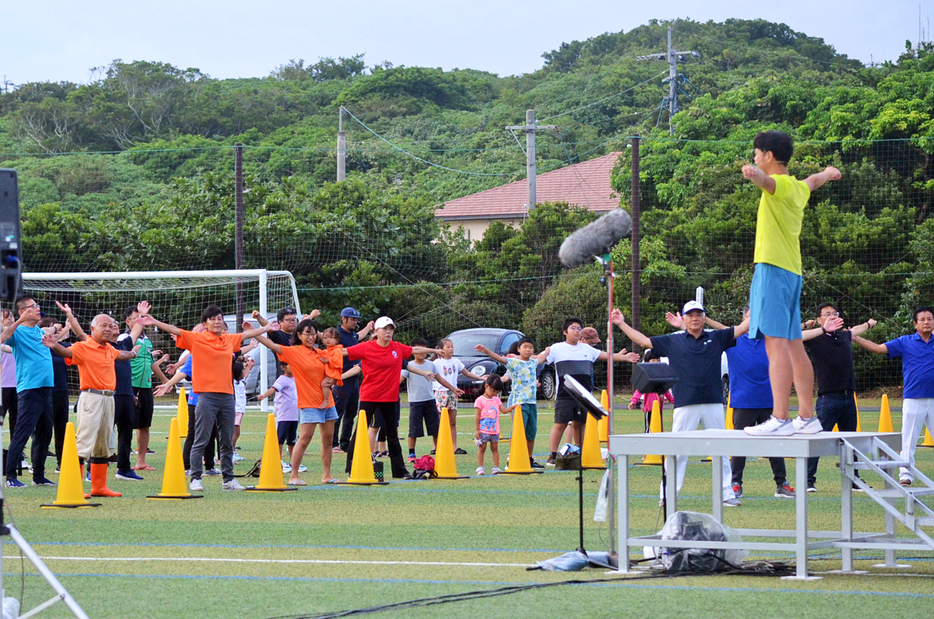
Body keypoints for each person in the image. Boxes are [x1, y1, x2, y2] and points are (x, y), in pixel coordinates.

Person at [741, 130, 841, 436]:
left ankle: (780, 418)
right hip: (791, 272)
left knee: (776, 345)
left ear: (769, 156)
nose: (755, 157)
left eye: (757, 153)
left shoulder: (781, 185)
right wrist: (827, 172)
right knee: (795, 344)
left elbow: (767, 183)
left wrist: (754, 175)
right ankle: (808, 418)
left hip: (772, 270)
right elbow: (813, 180)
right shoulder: (798, 188)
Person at [613, 302, 745, 507]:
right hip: (685, 404)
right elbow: (644, 341)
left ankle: (726, 493)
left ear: (704, 317)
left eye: (698, 314)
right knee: (678, 450)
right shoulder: (673, 341)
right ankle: (667, 495)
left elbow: (743, 328)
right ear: (684, 319)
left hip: (713, 402)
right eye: (690, 315)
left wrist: (760, 305)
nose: (695, 318)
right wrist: (622, 324)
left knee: (720, 448)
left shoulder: (716, 337)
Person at [137, 304, 276, 492]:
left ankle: (228, 480)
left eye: (219, 318)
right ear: (205, 324)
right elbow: (175, 330)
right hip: (206, 397)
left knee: (226, 441)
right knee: (200, 439)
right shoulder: (198, 339)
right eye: (213, 319)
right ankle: (195, 477)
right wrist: (152, 320)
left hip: (227, 397)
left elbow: (247, 336)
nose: (217, 322)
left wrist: (266, 328)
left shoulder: (228, 340)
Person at [43, 310, 140, 497]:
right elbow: (67, 352)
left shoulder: (109, 349)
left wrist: (134, 354)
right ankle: (74, 487)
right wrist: (55, 345)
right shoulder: (83, 346)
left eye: (110, 325)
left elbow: (122, 355)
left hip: (109, 398)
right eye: (103, 325)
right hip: (91, 397)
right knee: (84, 442)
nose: (108, 329)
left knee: (103, 444)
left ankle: (99, 487)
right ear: (93, 328)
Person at [703, 307, 794, 499]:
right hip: (743, 402)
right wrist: (706, 319)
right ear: (743, 319)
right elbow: (722, 329)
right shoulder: (734, 341)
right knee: (739, 445)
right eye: (751, 317)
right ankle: (736, 483)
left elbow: (796, 334)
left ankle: (782, 484)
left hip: (770, 402)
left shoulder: (773, 342)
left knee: (774, 444)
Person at [343, 317, 443, 479]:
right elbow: (345, 352)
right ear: (376, 331)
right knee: (359, 432)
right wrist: (322, 353)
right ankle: (351, 466)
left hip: (390, 397)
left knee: (393, 435)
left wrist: (435, 351)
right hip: (370, 396)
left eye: (391, 329)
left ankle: (399, 470)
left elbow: (414, 350)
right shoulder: (366, 347)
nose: (388, 332)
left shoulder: (396, 348)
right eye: (385, 329)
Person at [799, 303, 878, 492]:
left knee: (851, 441)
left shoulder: (843, 336)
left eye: (835, 313)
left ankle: (853, 479)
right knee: (818, 440)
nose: (832, 316)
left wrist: (868, 324)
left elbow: (854, 331)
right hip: (828, 399)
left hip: (848, 398)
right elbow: (795, 336)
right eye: (827, 314)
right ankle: (808, 480)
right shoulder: (815, 338)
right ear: (819, 319)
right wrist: (811, 326)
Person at [853, 306, 934, 487]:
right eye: (922, 319)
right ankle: (905, 474)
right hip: (913, 398)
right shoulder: (905, 341)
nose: (926, 322)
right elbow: (878, 348)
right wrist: (856, 338)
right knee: (908, 439)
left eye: (930, 319)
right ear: (915, 323)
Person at [253, 318, 339, 484]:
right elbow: (272, 345)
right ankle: (294, 476)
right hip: (309, 403)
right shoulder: (294, 351)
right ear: (299, 335)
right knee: (305, 438)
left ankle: (327, 475)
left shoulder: (320, 353)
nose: (311, 337)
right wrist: (258, 331)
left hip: (328, 402)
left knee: (328, 439)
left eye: (313, 334)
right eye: (307, 333)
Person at [545, 316, 639, 466]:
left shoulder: (587, 349)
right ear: (565, 332)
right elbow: (539, 358)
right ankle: (552, 455)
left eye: (578, 328)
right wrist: (520, 358)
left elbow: (607, 356)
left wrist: (625, 357)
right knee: (560, 424)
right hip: (565, 394)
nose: (576, 331)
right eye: (573, 328)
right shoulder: (556, 348)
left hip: (583, 395)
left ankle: (580, 452)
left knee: (580, 424)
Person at [1, 296, 55, 488]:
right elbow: (3, 338)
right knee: (22, 433)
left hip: (46, 389)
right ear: (23, 312)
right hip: (30, 391)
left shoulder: (39, 331)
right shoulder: (18, 331)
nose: (38, 309)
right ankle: (10, 477)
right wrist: (19, 320)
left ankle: (38, 476)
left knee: (44, 434)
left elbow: (54, 332)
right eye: (33, 307)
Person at [475, 337, 550, 468]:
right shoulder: (514, 363)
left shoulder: (533, 363)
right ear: (519, 349)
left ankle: (529, 458)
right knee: (517, 431)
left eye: (530, 347)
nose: (528, 350)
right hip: (518, 404)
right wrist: (486, 351)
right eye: (525, 347)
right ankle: (512, 457)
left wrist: (550, 349)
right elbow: (500, 359)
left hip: (532, 403)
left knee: (531, 432)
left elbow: (543, 357)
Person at [118, 305, 168, 472]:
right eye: (137, 318)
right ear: (128, 321)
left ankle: (141, 461)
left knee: (144, 425)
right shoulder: (124, 338)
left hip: (145, 386)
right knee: (125, 425)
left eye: (143, 318)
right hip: (129, 387)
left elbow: (151, 362)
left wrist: (166, 381)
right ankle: (117, 457)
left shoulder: (146, 340)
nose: (142, 321)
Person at [402, 338, 461, 462]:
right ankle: (411, 454)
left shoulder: (431, 365)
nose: (422, 352)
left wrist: (453, 389)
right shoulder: (408, 366)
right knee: (414, 429)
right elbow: (398, 381)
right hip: (415, 402)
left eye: (424, 350)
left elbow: (441, 380)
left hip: (430, 400)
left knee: (435, 428)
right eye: (419, 350)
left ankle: (439, 450)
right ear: (413, 351)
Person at [332, 307, 374, 453]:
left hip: (355, 379)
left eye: (357, 319)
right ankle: (333, 444)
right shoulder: (337, 335)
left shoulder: (352, 335)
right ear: (344, 319)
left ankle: (345, 444)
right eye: (353, 319)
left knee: (351, 413)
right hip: (341, 379)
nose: (355, 322)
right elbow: (323, 337)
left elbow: (359, 336)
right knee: (337, 412)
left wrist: (368, 327)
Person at [433, 338, 481, 455]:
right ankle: (437, 446)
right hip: (440, 393)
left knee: (452, 422)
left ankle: (454, 447)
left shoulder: (456, 362)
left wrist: (480, 378)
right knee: (440, 421)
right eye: (448, 347)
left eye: (452, 346)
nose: (451, 349)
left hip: (453, 393)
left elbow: (467, 373)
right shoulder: (435, 363)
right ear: (440, 349)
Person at [258, 360, 299, 474]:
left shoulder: (296, 378)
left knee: (292, 440)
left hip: (294, 414)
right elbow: (273, 389)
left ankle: (293, 462)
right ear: (283, 367)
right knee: (280, 439)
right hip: (285, 415)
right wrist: (263, 396)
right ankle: (278, 461)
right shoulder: (282, 379)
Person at [474, 374, 517, 476]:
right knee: (482, 448)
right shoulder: (480, 400)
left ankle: (496, 467)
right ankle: (480, 467)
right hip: (483, 430)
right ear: (487, 386)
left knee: (495, 449)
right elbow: (477, 416)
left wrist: (513, 407)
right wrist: (477, 429)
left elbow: (504, 410)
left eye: (497, 392)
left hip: (495, 430)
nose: (494, 394)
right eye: (493, 391)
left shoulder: (496, 400)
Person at [628, 353, 674, 432]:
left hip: (659, 408)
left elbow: (665, 390)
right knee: (649, 429)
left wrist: (674, 401)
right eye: (653, 360)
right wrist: (633, 401)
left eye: (658, 360)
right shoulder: (646, 376)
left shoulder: (661, 376)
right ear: (647, 362)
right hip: (649, 409)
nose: (656, 362)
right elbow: (639, 390)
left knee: (659, 428)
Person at [231, 355, 254, 462]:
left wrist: (248, 367)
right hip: (235, 410)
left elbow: (246, 375)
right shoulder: (233, 383)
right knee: (235, 432)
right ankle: (230, 451)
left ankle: (232, 450)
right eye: (242, 370)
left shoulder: (240, 382)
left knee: (236, 432)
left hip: (239, 411)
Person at [319, 327, 345, 410]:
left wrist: (327, 360)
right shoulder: (327, 350)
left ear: (337, 340)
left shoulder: (337, 350)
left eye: (330, 338)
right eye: (325, 338)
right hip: (329, 372)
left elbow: (337, 362)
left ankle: (326, 400)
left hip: (333, 373)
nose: (327, 340)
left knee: (324, 384)